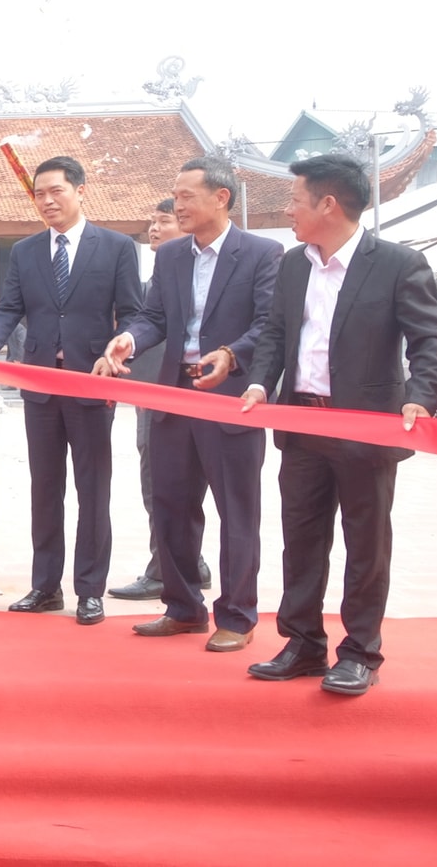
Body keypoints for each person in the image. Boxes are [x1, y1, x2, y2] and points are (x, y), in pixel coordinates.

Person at [240, 153, 437, 696]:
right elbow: (275, 333)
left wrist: (423, 398)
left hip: (367, 427)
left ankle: (359, 652)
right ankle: (303, 642)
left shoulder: (399, 263)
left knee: (366, 543)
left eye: (294, 200)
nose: (287, 210)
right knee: (302, 539)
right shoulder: (294, 264)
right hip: (302, 422)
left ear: (327, 204)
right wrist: (262, 382)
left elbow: (432, 340)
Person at [98, 158, 280, 653]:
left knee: (236, 512)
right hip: (173, 395)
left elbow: (269, 323)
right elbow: (154, 316)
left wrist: (232, 354)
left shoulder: (264, 253)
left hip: (230, 399)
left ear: (221, 198)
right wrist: (128, 341)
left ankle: (237, 616)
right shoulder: (173, 255)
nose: (176, 205)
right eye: (174, 195)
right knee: (171, 506)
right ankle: (183, 608)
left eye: (186, 196)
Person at [0, 155, 141, 625]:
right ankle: (45, 586)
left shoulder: (116, 247)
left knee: (93, 490)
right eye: (39, 193)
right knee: (45, 489)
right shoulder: (25, 252)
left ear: (80, 190)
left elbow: (133, 312)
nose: (47, 201)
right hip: (40, 388)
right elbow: (9, 308)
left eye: (56, 191)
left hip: (91, 385)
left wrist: (122, 346)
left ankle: (90, 590)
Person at [108, 197, 212, 602]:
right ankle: (180, 562)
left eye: (164, 220)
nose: (153, 229)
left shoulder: (196, 276)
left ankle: (169, 567)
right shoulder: (155, 278)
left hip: (189, 391)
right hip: (150, 391)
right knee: (158, 484)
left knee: (173, 484)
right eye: (151, 222)